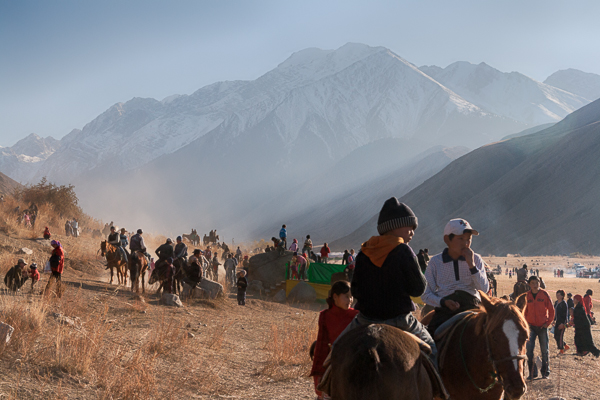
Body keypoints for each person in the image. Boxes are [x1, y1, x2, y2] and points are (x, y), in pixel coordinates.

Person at [336, 198, 435, 358]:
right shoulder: (404, 251)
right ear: (394, 227)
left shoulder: (365, 252)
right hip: (400, 320)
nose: (412, 232)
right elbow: (418, 289)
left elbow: (355, 289)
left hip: (365, 319)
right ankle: (437, 383)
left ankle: (326, 381)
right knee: (431, 348)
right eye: (409, 227)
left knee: (336, 350)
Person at [422, 218, 490, 335]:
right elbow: (425, 294)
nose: (466, 243)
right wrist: (443, 302)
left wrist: (472, 265)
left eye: (469, 239)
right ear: (447, 239)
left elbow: (484, 289)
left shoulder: (476, 259)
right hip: (445, 309)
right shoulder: (435, 262)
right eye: (461, 239)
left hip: (472, 305)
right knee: (430, 340)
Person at [310, 281, 359, 400]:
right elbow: (321, 344)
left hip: (354, 360)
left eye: (351, 296)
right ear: (335, 297)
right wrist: (319, 374)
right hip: (334, 360)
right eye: (346, 296)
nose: (350, 299)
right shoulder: (325, 316)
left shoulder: (357, 316)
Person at [524, 275, 554, 379]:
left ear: (539, 283)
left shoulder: (544, 294)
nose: (535, 285)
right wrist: (526, 323)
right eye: (532, 283)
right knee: (529, 351)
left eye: (537, 283)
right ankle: (532, 373)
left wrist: (548, 323)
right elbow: (524, 311)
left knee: (544, 350)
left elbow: (551, 310)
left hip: (542, 327)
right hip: (531, 327)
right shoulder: (527, 296)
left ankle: (545, 372)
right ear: (529, 284)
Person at [553, 290, 570, 354]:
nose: (557, 296)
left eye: (559, 295)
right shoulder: (556, 302)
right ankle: (565, 346)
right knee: (555, 336)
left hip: (562, 322)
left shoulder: (564, 304)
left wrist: (563, 324)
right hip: (557, 321)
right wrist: (553, 320)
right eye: (557, 295)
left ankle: (561, 349)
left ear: (562, 296)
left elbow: (565, 315)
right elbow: (555, 312)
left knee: (560, 336)